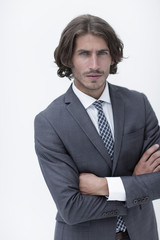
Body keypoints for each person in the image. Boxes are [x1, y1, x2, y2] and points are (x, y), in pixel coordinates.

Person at [34, 14, 160, 240]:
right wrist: (135, 185)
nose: (94, 64)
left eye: (102, 53)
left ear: (112, 56)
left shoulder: (138, 104)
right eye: (84, 53)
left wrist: (104, 186)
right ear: (68, 58)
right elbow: (71, 208)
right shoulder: (50, 122)